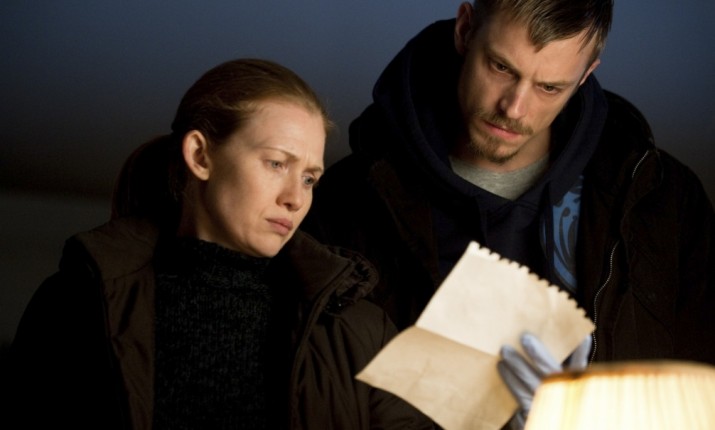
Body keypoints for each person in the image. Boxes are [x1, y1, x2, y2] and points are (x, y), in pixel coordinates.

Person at [302, 0, 715, 425]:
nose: (514, 108)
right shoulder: (343, 203)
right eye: (501, 67)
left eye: (549, 88)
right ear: (465, 29)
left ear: (586, 74)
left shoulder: (663, 201)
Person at [2, 58, 432, 429]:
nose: (295, 198)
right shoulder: (78, 303)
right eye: (276, 163)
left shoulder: (361, 330)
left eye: (308, 178)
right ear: (200, 155)